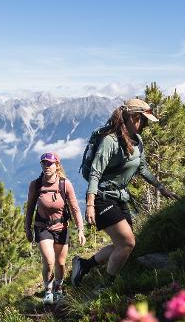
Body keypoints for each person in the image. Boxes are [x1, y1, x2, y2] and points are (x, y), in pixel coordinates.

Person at [71, 98, 178, 287]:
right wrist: (90, 204)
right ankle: (106, 287)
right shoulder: (110, 141)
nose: (145, 125)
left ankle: (84, 265)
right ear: (133, 117)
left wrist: (161, 188)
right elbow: (95, 173)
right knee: (127, 243)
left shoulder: (137, 141)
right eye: (143, 121)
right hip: (102, 198)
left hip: (120, 197)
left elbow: (142, 168)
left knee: (122, 245)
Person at [24, 152, 85, 304]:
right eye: (44, 163)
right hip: (42, 228)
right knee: (49, 261)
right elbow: (30, 208)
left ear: (57, 165)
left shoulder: (65, 184)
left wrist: (80, 229)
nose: (46, 166)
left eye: (50, 163)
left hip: (62, 228)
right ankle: (48, 290)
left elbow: (75, 208)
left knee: (61, 263)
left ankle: (58, 288)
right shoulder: (36, 184)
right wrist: (27, 229)